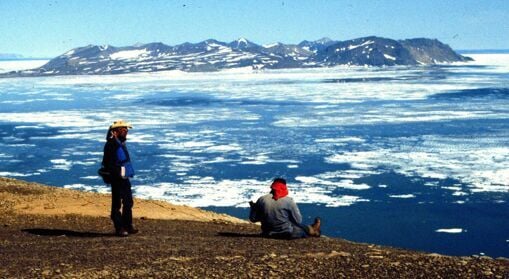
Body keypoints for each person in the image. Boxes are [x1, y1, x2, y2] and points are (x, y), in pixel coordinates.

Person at [249, 178, 321, 239]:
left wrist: (253, 209)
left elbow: (253, 219)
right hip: (286, 234)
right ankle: (313, 230)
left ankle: (313, 228)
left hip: (267, 233)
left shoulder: (262, 199)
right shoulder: (289, 201)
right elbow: (298, 220)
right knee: (298, 227)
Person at [101, 120, 138, 237]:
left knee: (128, 201)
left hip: (124, 177)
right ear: (115, 132)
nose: (126, 131)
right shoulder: (111, 145)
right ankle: (119, 227)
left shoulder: (120, 143)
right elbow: (108, 162)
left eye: (126, 129)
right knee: (117, 203)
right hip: (117, 178)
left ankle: (127, 225)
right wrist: (115, 174)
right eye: (123, 129)